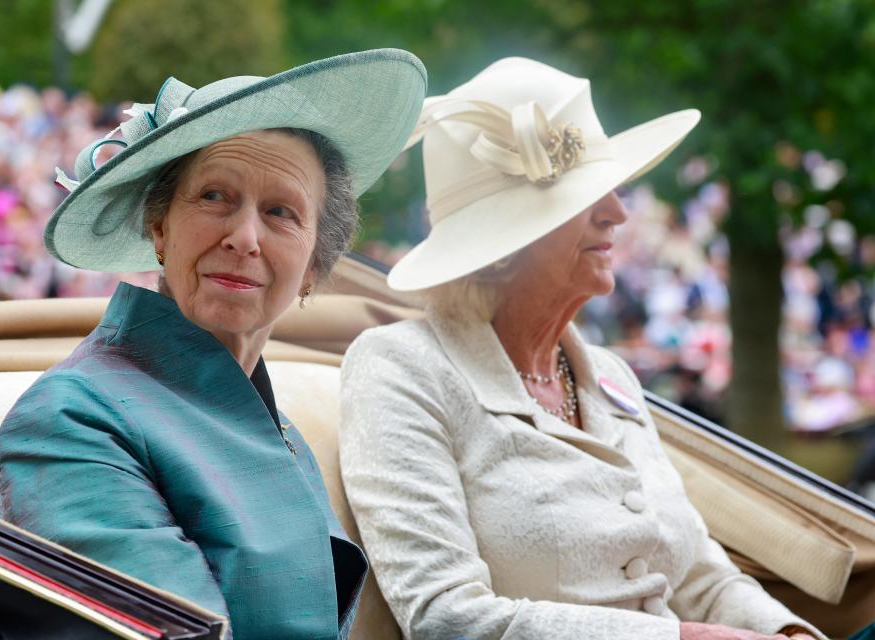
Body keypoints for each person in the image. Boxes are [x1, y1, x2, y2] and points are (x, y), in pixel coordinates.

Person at [339, 58, 823, 640]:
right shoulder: (401, 367)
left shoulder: (610, 374)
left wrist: (788, 634)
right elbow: (445, 617)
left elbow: (700, 573)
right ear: (499, 245)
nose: (618, 212)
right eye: (584, 196)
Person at [0, 49, 427, 640]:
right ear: (159, 227)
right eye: (215, 197)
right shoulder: (72, 417)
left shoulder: (273, 423)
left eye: (280, 212)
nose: (244, 237)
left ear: (312, 267)